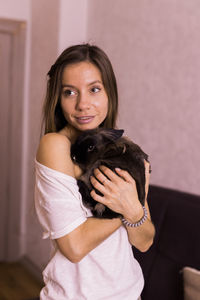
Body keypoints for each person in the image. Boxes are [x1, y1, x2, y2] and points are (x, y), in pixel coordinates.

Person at [35, 43, 155, 300]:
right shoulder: (56, 145)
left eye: (94, 89)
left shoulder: (122, 150)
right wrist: (128, 206)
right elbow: (74, 247)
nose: (83, 104)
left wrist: (133, 208)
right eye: (70, 92)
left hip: (129, 294)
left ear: (109, 93)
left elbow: (144, 241)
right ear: (58, 98)